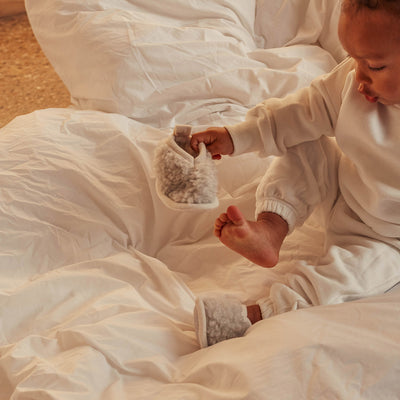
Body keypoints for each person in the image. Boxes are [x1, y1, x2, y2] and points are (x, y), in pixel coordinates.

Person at [191, 0, 400, 347]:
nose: (359, 77)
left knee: (355, 275)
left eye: (375, 66)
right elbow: (299, 111)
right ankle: (270, 228)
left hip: (388, 239)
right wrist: (235, 137)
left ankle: (258, 313)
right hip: (343, 188)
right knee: (303, 140)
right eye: (353, 59)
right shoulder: (352, 81)